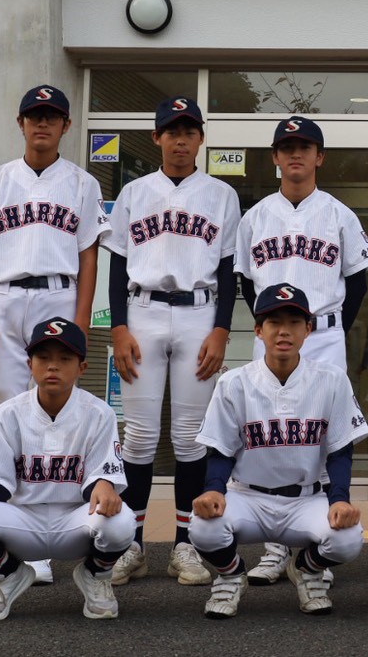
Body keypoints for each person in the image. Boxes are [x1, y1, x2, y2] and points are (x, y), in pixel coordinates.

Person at [0, 84, 111, 585]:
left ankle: (45, 536)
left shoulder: (82, 183)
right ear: (20, 123)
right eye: (34, 115)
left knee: (56, 410)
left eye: (52, 116)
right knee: (6, 412)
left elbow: (89, 257)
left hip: (59, 296)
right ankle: (16, 540)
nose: (42, 123)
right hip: (4, 298)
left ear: (66, 125)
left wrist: (80, 324)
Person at [102, 97, 242, 589]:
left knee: (189, 437)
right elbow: (118, 263)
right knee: (139, 436)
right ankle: (132, 544)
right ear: (157, 137)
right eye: (172, 131)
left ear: (200, 138)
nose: (180, 140)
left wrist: (222, 328)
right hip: (141, 310)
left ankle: (185, 544)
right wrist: (118, 326)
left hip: (199, 312)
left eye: (189, 131)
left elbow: (228, 268)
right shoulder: (134, 192)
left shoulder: (222, 194)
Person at [233, 115, 368, 584]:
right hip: (273, 336)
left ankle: (317, 539)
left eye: (305, 146)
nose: (296, 153)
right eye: (287, 147)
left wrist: (326, 327)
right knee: (272, 432)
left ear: (320, 157)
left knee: (324, 431)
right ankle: (277, 546)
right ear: (276, 157)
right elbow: (245, 281)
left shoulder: (339, 214)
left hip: (325, 333)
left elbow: (357, 282)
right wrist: (270, 327)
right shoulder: (255, 216)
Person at [189, 284, 368, 618]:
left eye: (294, 322)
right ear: (259, 330)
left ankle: (306, 569)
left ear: (308, 330)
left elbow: (340, 451)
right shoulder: (234, 382)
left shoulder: (332, 379)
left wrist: (340, 498)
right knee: (203, 526)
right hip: (248, 497)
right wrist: (214, 489)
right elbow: (221, 452)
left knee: (348, 539)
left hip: (306, 499)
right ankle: (231, 574)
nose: (284, 331)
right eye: (274, 322)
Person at [0, 317, 136, 622]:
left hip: (75, 522)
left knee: (121, 522)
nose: (52, 366)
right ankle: (8, 575)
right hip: (22, 521)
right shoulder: (8, 413)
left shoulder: (99, 413)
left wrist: (104, 484)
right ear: (30, 364)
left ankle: (95, 575)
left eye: (65, 359)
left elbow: (103, 475)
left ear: (82, 367)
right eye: (43, 357)